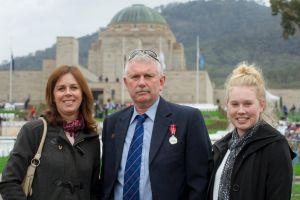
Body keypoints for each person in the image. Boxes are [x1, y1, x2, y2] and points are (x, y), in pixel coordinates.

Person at [100, 49, 212, 200]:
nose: (141, 83)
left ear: (161, 82)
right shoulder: (112, 123)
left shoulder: (188, 120)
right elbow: (107, 179)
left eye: (148, 76)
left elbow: (200, 182)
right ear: (126, 83)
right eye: (135, 77)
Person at [0, 65, 100, 200]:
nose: (68, 93)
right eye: (61, 88)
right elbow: (9, 182)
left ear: (83, 93)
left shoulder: (91, 138)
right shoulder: (34, 132)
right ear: (53, 96)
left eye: (74, 87)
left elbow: (94, 191)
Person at [207, 62, 295, 200]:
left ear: (261, 105)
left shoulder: (275, 147)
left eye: (247, 103)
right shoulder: (221, 147)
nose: (241, 111)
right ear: (227, 106)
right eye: (235, 104)